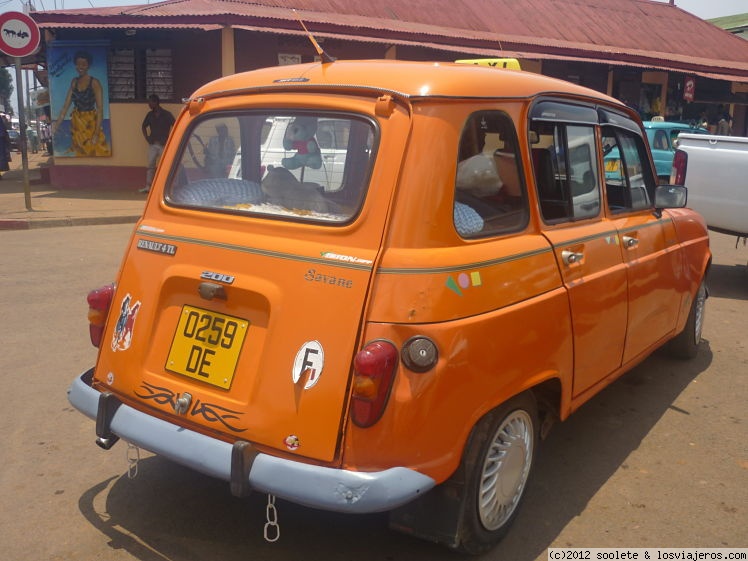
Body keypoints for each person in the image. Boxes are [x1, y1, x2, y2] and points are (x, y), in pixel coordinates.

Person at [52, 50, 111, 157]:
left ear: (88, 66)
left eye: (84, 64)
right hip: (77, 123)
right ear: (75, 65)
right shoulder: (74, 82)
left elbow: (100, 109)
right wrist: (56, 125)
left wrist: (96, 133)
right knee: (81, 152)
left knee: (96, 151)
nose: (81, 66)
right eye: (78, 64)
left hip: (91, 123)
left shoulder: (95, 83)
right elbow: (65, 107)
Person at [140, 94, 175, 193]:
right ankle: (148, 186)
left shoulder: (167, 114)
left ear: (155, 102)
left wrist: (171, 139)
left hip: (164, 144)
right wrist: (147, 138)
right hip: (153, 144)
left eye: (150, 102)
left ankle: (166, 187)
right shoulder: (149, 115)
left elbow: (176, 125)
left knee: (166, 166)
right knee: (151, 165)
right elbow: (143, 126)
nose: (149, 105)